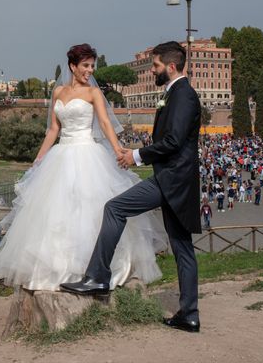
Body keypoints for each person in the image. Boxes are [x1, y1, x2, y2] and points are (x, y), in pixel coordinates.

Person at [0, 43, 164, 293]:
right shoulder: (58, 92)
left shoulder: (93, 93)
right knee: (57, 213)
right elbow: (53, 130)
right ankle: (58, 270)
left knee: (88, 210)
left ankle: (90, 270)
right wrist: (38, 161)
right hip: (60, 156)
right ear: (72, 66)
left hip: (87, 154)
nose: (90, 70)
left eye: (92, 65)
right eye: (85, 65)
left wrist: (117, 150)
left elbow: (104, 123)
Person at [61, 41, 202, 334]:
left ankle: (97, 277)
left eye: (156, 66)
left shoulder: (183, 95)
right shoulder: (176, 93)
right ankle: (189, 314)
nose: (153, 70)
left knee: (114, 208)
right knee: (182, 247)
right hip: (175, 180)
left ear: (171, 67)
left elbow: (174, 141)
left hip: (170, 181)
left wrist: (135, 155)